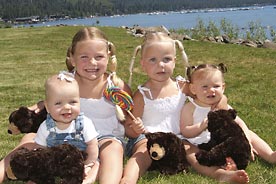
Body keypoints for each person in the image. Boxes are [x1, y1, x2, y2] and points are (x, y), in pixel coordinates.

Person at [0, 27, 131, 184]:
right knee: (29, 139)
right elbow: (48, 102)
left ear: (108, 57)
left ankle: (104, 177)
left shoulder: (115, 85)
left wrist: (135, 129)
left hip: (103, 138)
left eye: (99, 56)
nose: (92, 63)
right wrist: (30, 111)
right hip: (64, 133)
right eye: (84, 57)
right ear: (72, 58)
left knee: (113, 149)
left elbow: (128, 118)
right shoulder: (66, 81)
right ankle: (3, 170)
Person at [180, 63, 276, 183]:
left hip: (225, 142)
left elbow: (240, 123)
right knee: (189, 151)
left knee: (249, 133)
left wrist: (246, 140)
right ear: (193, 89)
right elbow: (185, 131)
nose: (211, 90)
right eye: (205, 87)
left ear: (223, 87)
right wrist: (201, 126)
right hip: (201, 144)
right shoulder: (190, 108)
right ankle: (221, 174)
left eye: (216, 86)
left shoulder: (222, 106)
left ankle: (270, 155)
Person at [120, 31, 191, 184]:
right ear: (143, 64)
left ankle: (218, 173)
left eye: (166, 59)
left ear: (174, 61)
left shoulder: (182, 86)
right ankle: (128, 179)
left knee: (192, 150)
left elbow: (203, 100)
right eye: (153, 60)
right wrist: (135, 128)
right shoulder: (142, 95)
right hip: (148, 137)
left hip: (176, 138)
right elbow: (129, 130)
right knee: (142, 153)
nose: (161, 65)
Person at [37, 72, 99, 183]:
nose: (66, 107)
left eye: (72, 102)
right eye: (58, 103)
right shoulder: (46, 127)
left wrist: (88, 164)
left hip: (80, 164)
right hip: (56, 165)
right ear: (47, 107)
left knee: (96, 166)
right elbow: (40, 148)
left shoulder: (84, 123)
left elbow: (92, 145)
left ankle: (86, 180)